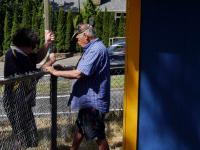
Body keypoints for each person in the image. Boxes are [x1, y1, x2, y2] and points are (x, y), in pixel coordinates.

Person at [45, 23, 110, 150]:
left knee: (98, 136)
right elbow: (81, 69)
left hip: (93, 103)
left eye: (77, 37)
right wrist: (63, 68)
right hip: (88, 102)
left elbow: (79, 74)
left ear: (85, 36)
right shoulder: (92, 48)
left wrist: (55, 72)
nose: (76, 40)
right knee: (80, 128)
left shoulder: (96, 50)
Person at [3, 28, 55, 148]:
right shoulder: (14, 55)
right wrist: (49, 63)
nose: (33, 50)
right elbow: (33, 74)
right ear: (25, 44)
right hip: (15, 103)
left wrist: (47, 43)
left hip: (23, 101)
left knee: (31, 136)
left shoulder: (21, 52)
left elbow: (36, 58)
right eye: (32, 47)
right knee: (22, 136)